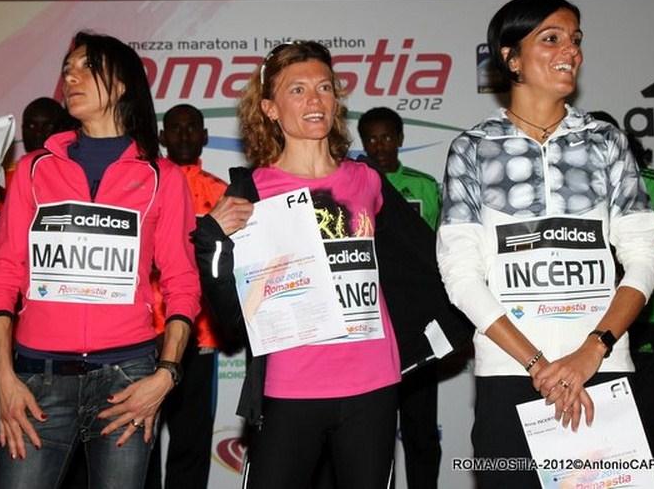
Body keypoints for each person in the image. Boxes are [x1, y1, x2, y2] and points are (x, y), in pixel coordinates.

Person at [192, 40, 471, 489]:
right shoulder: (252, 192)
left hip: (373, 385)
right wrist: (212, 240)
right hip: (289, 387)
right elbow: (232, 315)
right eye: (297, 90)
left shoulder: (367, 180)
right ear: (270, 108)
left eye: (324, 87)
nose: (315, 99)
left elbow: (428, 260)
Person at [437, 0, 654, 488]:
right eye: (551, 39)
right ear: (511, 58)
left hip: (602, 368)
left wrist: (592, 351)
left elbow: (644, 257)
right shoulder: (473, 149)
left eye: (575, 40)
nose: (571, 51)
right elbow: (460, 275)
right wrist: (538, 364)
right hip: (510, 373)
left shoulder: (606, 142)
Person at [0, 31, 201, 489]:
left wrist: (166, 374)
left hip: (127, 380)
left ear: (121, 84)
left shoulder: (162, 177)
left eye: (87, 67)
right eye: (67, 70)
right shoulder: (34, 170)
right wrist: (2, 375)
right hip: (37, 379)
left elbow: (182, 282)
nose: (70, 78)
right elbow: (2, 275)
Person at [590, 111, 654, 488]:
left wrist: (651, 309)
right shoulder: (574, 189)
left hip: (644, 326)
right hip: (590, 333)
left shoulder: (653, 184)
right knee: (593, 443)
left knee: (645, 434)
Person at [358, 106, 442, 489]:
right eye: (372, 138)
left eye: (387, 137)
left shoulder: (424, 187)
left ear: (401, 139)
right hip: (372, 324)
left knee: (421, 427)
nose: (380, 146)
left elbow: (442, 255)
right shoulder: (355, 184)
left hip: (418, 324)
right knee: (374, 431)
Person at [144, 103, 227, 489]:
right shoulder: (143, 186)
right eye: (175, 128)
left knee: (191, 442)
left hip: (199, 335)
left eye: (191, 127)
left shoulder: (222, 194)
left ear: (204, 136)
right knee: (139, 436)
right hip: (143, 333)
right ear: (162, 137)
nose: (183, 135)